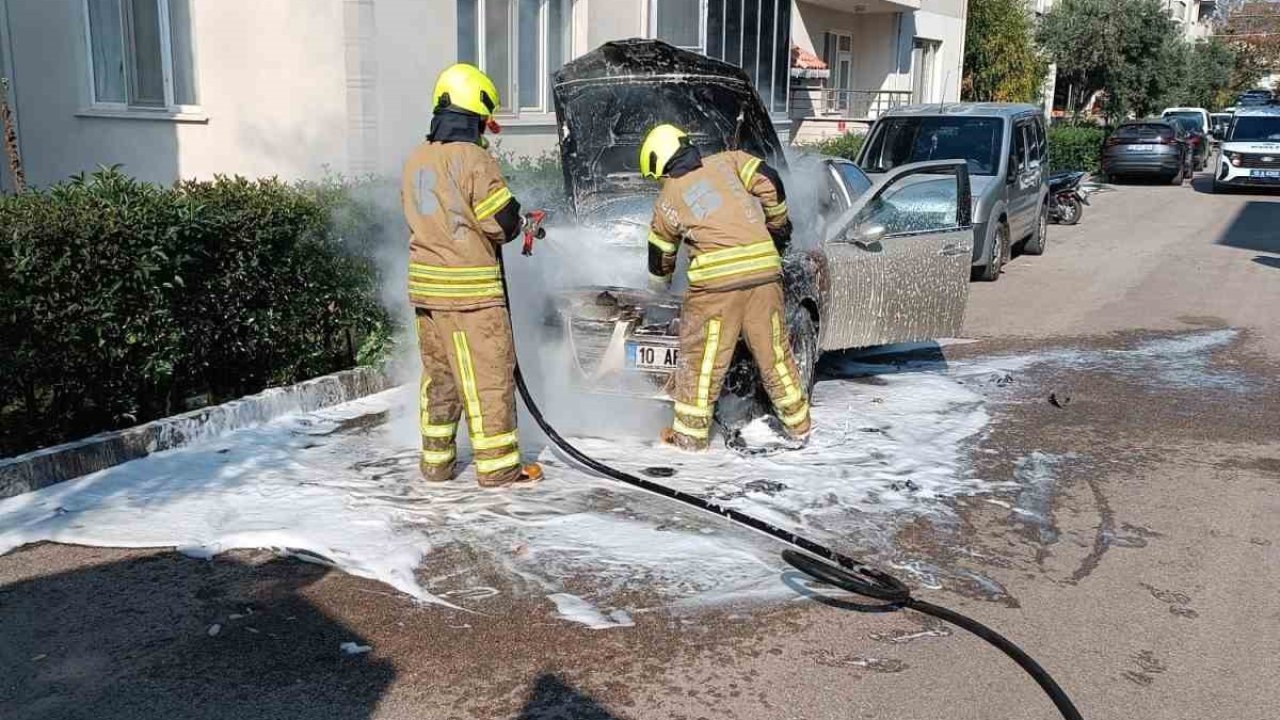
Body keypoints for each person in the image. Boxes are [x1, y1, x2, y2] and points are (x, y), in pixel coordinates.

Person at [401, 63, 541, 488]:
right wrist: (519, 221)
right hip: (471, 297)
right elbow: (499, 222)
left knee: (440, 379)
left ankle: (436, 465)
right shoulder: (474, 159)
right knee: (488, 380)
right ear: (475, 113)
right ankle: (499, 469)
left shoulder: (415, 160)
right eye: (484, 120)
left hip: (427, 295)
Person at [640, 124, 811, 450]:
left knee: (701, 363)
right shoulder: (729, 161)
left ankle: (690, 438)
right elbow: (771, 180)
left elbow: (660, 255)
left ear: (659, 161)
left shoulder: (667, 198)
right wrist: (777, 226)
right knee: (775, 355)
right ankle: (800, 427)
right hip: (765, 275)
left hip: (716, 290)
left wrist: (657, 290)